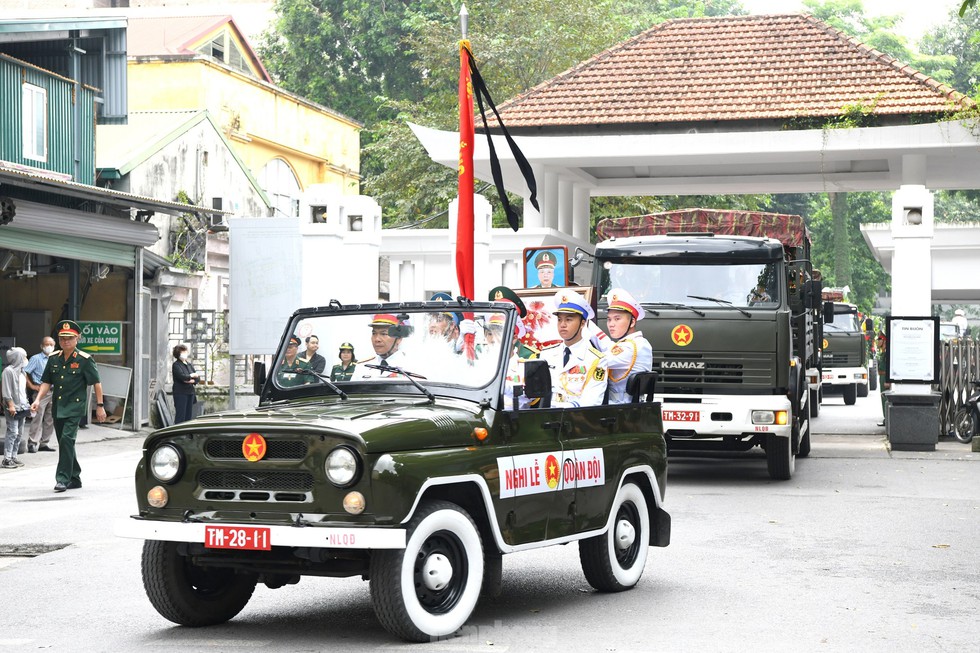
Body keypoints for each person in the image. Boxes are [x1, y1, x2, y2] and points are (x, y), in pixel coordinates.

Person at [29, 320, 107, 492]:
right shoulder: (53, 358)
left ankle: (62, 478)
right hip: (58, 407)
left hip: (74, 408)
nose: (66, 341)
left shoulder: (85, 360)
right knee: (66, 443)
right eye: (62, 338)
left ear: (77, 338)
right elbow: (46, 382)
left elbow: (97, 383)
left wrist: (100, 406)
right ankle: (75, 477)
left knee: (66, 440)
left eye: (69, 338)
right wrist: (37, 400)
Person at [540, 289, 608, 407]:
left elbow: (591, 402)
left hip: (576, 420)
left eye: (569, 319)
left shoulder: (597, 360)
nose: (562, 325)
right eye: (560, 319)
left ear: (582, 323)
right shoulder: (547, 354)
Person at [601, 288, 653, 404]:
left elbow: (599, 360)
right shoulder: (630, 344)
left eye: (617, 319)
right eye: (609, 319)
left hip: (620, 407)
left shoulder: (634, 346)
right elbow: (607, 345)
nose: (611, 324)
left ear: (632, 322)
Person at [24, 336, 57, 453]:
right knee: (37, 417)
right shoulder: (36, 359)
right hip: (40, 392)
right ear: (42, 346)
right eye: (46, 344)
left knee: (50, 418)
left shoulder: (56, 358)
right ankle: (32, 442)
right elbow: (25, 372)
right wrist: (32, 386)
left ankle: (44, 443)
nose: (49, 347)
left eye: (51, 345)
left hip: (54, 391)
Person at [357, 314, 411, 379]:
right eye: (374, 333)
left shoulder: (412, 366)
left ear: (399, 338)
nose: (377, 339)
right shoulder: (362, 366)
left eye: (383, 334)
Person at [2, 347, 30, 469]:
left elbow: (22, 391)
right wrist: (10, 405)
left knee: (19, 433)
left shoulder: (22, 372)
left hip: (22, 406)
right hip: (13, 407)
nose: (25, 359)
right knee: (12, 432)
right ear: (17, 357)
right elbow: (6, 391)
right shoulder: (8, 371)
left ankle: (14, 456)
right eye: (24, 357)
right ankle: (7, 459)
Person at [171, 344, 199, 424]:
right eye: (182, 352)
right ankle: (177, 434)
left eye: (185, 351)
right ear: (178, 354)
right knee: (181, 415)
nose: (185, 353)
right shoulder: (176, 365)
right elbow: (182, 377)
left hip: (190, 392)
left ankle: (186, 434)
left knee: (188, 416)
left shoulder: (189, 365)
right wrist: (191, 376)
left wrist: (192, 380)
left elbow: (197, 378)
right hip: (180, 393)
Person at [876, 330, 890, 428]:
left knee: (885, 398)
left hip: (885, 377)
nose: (878, 341)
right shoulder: (883, 352)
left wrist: (887, 380)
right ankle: (885, 418)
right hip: (881, 377)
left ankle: (887, 418)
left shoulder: (887, 353)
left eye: (880, 339)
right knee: (882, 398)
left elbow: (888, 367)